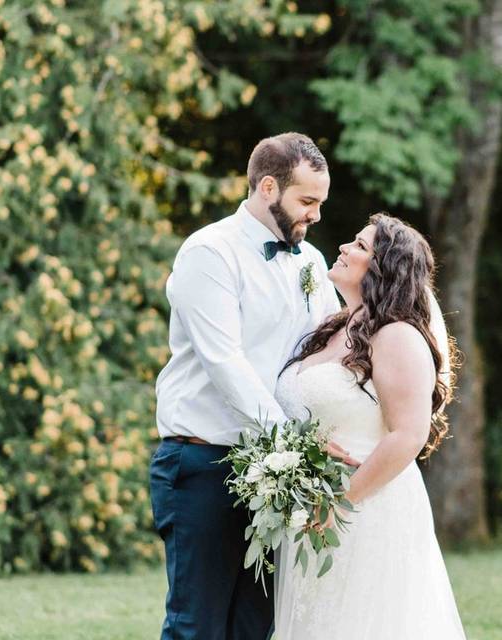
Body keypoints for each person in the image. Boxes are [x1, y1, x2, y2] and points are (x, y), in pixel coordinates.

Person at [149, 132, 355, 640]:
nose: (316, 215)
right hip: (203, 461)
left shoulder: (309, 261)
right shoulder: (209, 252)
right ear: (268, 187)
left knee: (254, 628)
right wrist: (297, 442)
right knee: (196, 626)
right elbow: (226, 364)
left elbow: (330, 344)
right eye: (307, 201)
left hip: (274, 471)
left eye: (320, 203)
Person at [272, 213, 467, 639]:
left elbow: (408, 435)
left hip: (366, 507)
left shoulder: (397, 336)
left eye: (360, 246)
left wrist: (340, 501)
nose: (343, 248)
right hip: (317, 509)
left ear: (385, 270)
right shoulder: (335, 328)